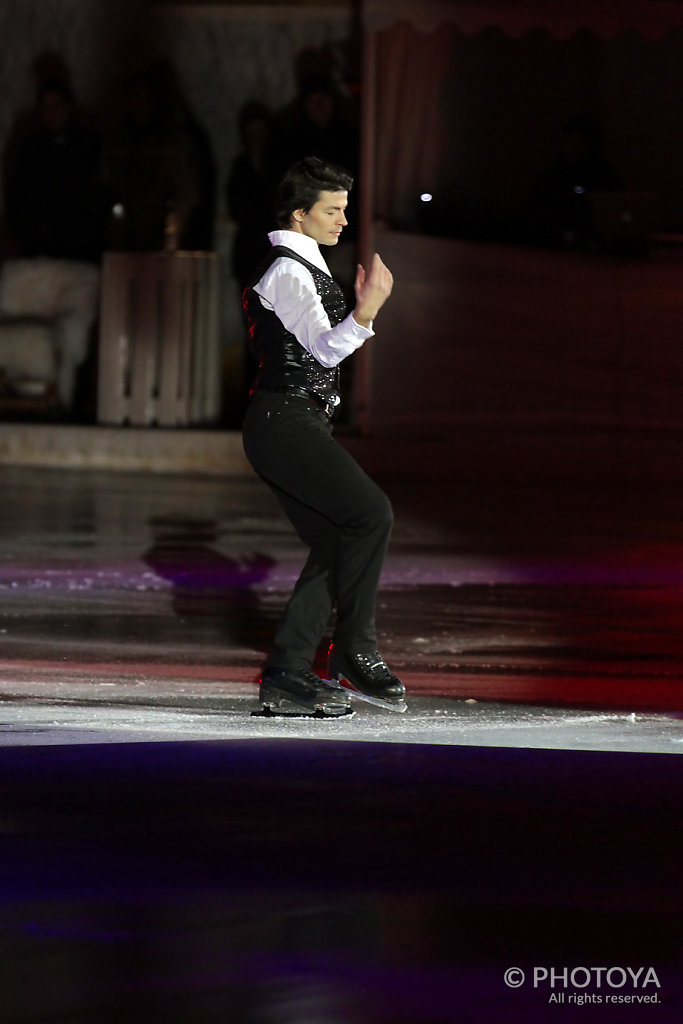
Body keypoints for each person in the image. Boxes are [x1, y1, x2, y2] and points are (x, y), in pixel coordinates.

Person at [242, 156, 405, 716]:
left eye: (342, 209)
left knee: (341, 538)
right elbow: (323, 348)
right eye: (331, 211)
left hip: (295, 422)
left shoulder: (305, 266)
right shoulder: (287, 270)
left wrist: (358, 311)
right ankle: (354, 651)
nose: (341, 221)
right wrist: (368, 310)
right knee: (370, 513)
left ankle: (289, 671)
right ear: (299, 214)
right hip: (282, 421)